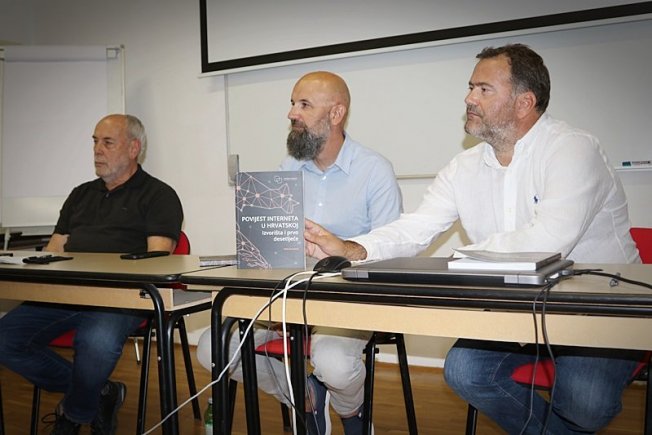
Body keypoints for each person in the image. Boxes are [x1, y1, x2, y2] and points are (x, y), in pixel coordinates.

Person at [303, 44, 642, 434]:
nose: (469, 98)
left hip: (600, 311)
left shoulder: (573, 149)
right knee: (464, 371)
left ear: (524, 103)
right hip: (522, 310)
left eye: (484, 89)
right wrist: (350, 248)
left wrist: (460, 259)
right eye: (470, 87)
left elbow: (549, 241)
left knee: (583, 403)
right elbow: (417, 227)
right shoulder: (463, 167)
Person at [196, 71, 402, 434]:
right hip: (287, 296)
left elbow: (392, 255)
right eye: (293, 103)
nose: (292, 113)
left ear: (336, 114)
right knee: (212, 348)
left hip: (347, 301)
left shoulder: (374, 171)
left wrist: (343, 249)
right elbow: (272, 246)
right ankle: (303, 397)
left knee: (333, 364)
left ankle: (351, 412)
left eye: (304, 105)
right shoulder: (287, 168)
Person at [0, 114, 184, 435]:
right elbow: (54, 250)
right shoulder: (80, 194)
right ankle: (101, 392)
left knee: (95, 341)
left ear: (133, 148)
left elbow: (158, 261)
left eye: (107, 142)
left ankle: (74, 414)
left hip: (121, 298)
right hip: (67, 295)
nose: (97, 150)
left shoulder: (159, 195)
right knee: (5, 339)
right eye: (95, 142)